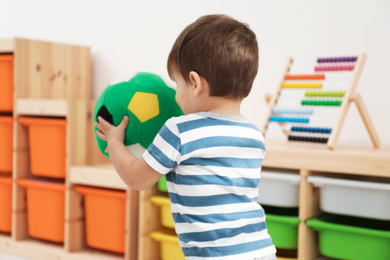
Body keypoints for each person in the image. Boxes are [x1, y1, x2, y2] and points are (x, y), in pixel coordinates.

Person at [95, 14, 276, 260]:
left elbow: (137, 179)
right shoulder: (254, 135)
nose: (175, 94)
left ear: (195, 83)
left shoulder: (180, 130)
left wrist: (114, 143)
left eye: (177, 84)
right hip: (260, 250)